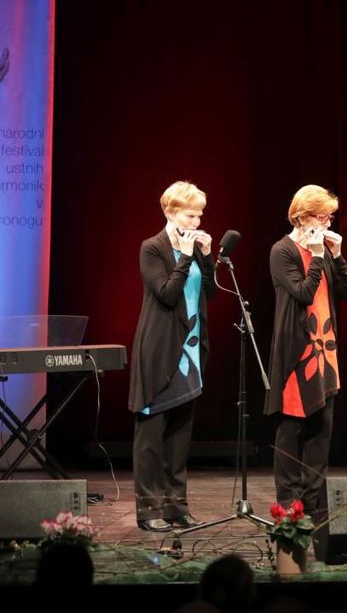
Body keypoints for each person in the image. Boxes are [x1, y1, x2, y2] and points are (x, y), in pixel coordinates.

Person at [129, 181, 215, 531]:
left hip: (190, 349)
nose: (196, 222)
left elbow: (209, 291)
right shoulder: (153, 248)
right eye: (190, 215)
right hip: (160, 349)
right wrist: (185, 256)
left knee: (179, 436)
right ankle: (149, 509)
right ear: (170, 211)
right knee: (151, 436)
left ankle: (176, 507)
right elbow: (166, 294)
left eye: (199, 216)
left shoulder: (192, 248)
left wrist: (206, 257)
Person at [267, 185, 347, 514]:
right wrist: (317, 256)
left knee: (322, 429)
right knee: (292, 428)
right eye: (322, 216)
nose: (327, 222)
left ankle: (313, 502)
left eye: (330, 217)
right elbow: (303, 293)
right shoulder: (283, 251)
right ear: (302, 216)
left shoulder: (324, 251)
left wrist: (336, 254)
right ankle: (288, 503)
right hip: (298, 351)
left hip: (325, 349)